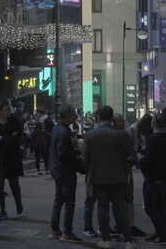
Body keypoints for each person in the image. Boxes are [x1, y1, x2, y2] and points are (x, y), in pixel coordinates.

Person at [84, 107, 136, 249]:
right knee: (120, 209)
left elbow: (86, 160)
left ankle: (106, 239)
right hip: (119, 177)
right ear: (111, 117)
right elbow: (132, 157)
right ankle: (128, 240)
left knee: (102, 208)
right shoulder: (121, 135)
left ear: (99, 117)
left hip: (98, 178)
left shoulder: (90, 136)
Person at [140, 113, 166, 245]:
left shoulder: (152, 139)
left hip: (153, 178)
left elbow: (149, 160)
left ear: (154, 123)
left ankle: (163, 235)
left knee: (150, 208)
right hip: (165, 179)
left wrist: (139, 161)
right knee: (160, 208)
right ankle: (160, 232)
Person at [49, 106, 82, 243]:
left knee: (59, 200)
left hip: (57, 170)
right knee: (69, 203)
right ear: (67, 116)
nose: (75, 117)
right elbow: (63, 154)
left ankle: (55, 230)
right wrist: (76, 152)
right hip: (66, 171)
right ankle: (67, 232)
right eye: (73, 114)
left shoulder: (57, 128)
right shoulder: (64, 131)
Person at [114, 114, 146, 238]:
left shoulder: (122, 134)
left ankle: (120, 225)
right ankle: (127, 227)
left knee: (118, 200)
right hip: (123, 171)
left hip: (114, 172)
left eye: (123, 120)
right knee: (126, 199)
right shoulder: (124, 135)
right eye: (120, 121)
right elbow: (131, 154)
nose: (123, 122)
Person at [0, 103, 24, 220]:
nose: (8, 112)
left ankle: (19, 206)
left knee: (14, 185)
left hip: (12, 159)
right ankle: (2, 211)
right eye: (5, 110)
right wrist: (7, 137)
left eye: (8, 110)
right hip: (0, 160)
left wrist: (3, 138)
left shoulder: (13, 122)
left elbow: (16, 139)